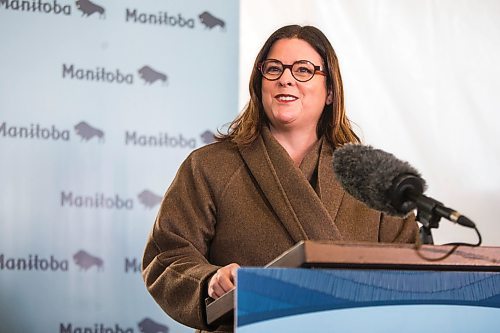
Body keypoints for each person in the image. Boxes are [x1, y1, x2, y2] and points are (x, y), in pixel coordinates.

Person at [142, 24, 418, 333]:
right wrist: (209, 280)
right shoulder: (209, 165)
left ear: (330, 91)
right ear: (260, 84)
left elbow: (409, 269)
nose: (285, 78)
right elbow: (166, 255)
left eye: (303, 69)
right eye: (273, 69)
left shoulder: (372, 176)